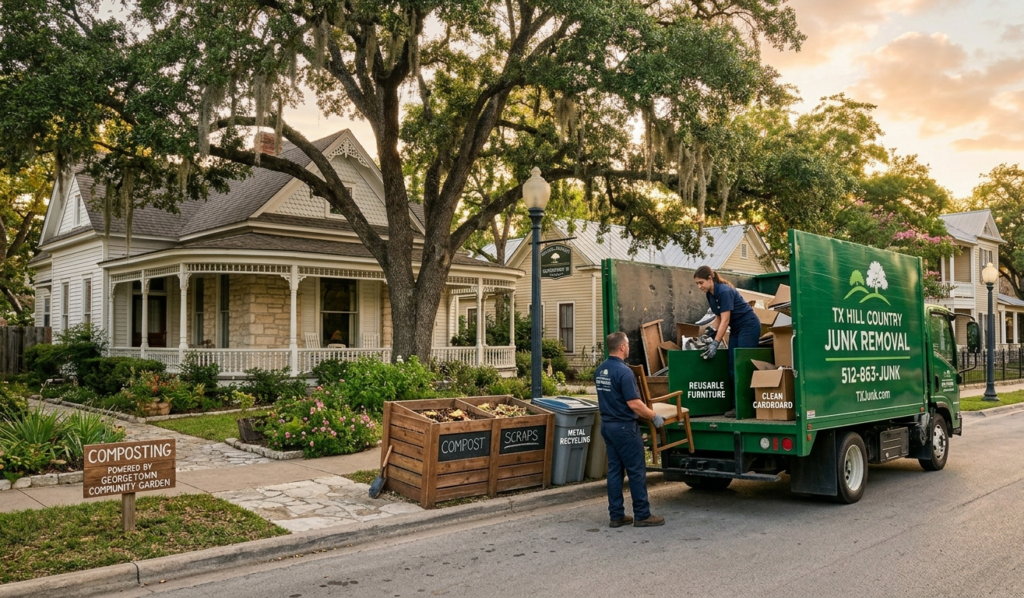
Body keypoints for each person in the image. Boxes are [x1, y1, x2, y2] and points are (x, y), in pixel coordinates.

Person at [594, 331, 665, 528]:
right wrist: (654, 416)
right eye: (628, 345)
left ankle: (616, 515)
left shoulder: (600, 371)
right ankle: (642, 515)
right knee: (636, 471)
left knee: (615, 471)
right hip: (625, 428)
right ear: (622, 347)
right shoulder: (624, 372)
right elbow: (634, 404)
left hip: (608, 426)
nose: (629, 348)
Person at [693, 265, 761, 417]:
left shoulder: (724, 291)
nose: (699, 286)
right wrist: (708, 334)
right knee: (732, 366)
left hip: (748, 326)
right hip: (736, 329)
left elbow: (725, 321)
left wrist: (715, 344)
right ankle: (737, 407)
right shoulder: (710, 294)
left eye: (701, 282)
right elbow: (718, 318)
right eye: (697, 283)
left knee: (743, 366)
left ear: (710, 279)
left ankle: (748, 407)